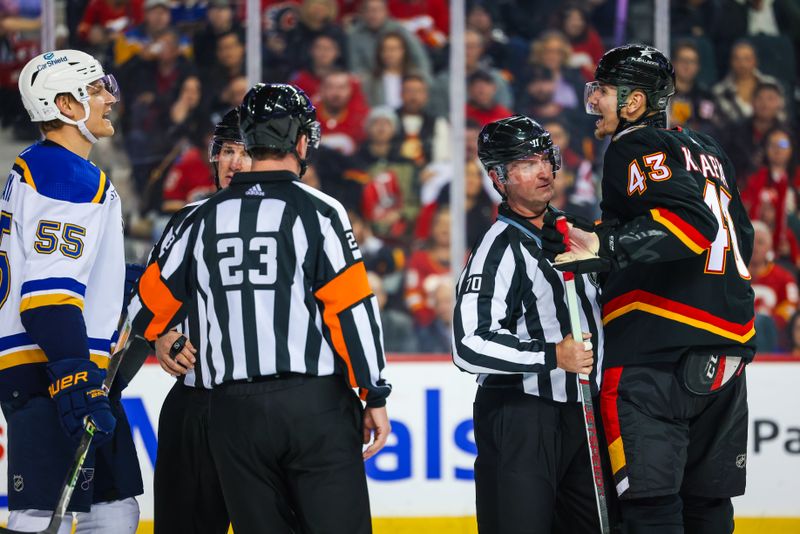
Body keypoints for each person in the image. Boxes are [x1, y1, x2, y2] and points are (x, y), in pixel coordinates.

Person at [128, 83, 392, 534]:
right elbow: (351, 309)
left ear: (250, 144)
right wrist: (373, 391)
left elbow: (144, 308)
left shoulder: (198, 218)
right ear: (303, 141)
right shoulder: (320, 211)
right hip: (314, 405)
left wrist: (159, 331)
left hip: (233, 413)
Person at [546, 44, 755, 533]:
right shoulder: (709, 150)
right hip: (726, 350)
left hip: (655, 353)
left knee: (649, 507)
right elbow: (738, 237)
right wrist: (606, 235)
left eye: (602, 91)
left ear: (634, 103)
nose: (594, 100)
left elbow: (690, 224)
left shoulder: (632, 145)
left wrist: (608, 246)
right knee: (709, 504)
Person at [0, 49, 142, 533]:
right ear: (65, 103)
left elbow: (72, 275)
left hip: (65, 366)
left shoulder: (47, 168)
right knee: (41, 517)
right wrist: (74, 381)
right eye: (95, 90)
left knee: (115, 506)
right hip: (51, 371)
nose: (108, 99)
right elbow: (48, 296)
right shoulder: (66, 174)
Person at [452, 115, 604, 533]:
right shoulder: (497, 248)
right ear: (498, 178)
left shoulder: (575, 231)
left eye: (544, 158)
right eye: (524, 163)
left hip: (580, 413)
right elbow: (468, 343)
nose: (542, 171)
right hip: (521, 416)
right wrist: (554, 355)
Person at [129, 108, 251, 534]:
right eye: (228, 151)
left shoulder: (299, 219)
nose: (236, 163)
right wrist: (160, 334)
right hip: (195, 403)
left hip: (266, 406)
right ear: (214, 157)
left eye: (247, 152)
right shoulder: (187, 221)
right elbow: (145, 301)